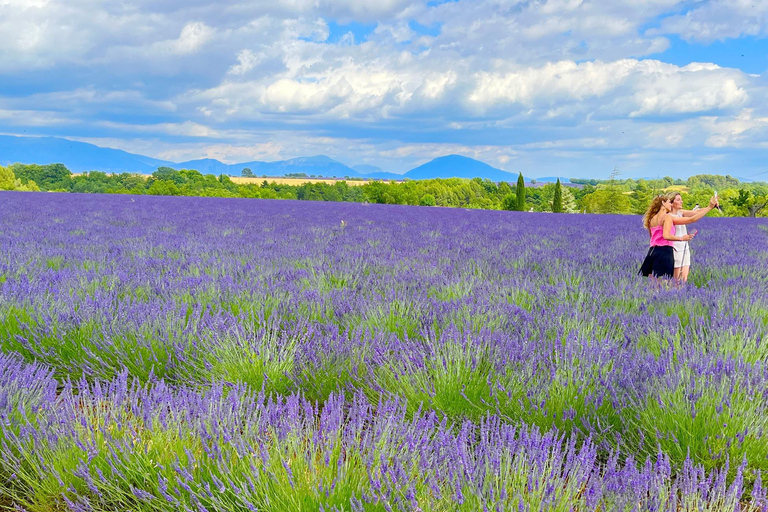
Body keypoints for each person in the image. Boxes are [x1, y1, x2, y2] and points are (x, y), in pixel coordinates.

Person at [639, 195, 717, 280]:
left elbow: (652, 237)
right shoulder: (667, 217)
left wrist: (710, 207)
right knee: (665, 284)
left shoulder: (652, 218)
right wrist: (682, 238)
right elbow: (690, 220)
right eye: (669, 202)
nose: (670, 205)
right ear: (663, 203)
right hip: (665, 252)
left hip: (652, 252)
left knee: (654, 285)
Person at [667, 192, 718, 282]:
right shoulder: (669, 217)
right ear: (671, 202)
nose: (681, 201)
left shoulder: (680, 212)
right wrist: (709, 207)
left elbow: (696, 212)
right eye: (678, 200)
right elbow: (692, 219)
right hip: (676, 250)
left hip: (685, 249)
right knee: (677, 281)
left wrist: (711, 206)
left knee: (684, 279)